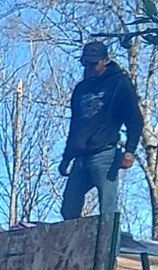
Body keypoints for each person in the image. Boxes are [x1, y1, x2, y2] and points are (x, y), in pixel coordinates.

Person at [59, 40, 144, 222]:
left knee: (107, 206)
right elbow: (75, 126)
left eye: (93, 63)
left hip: (105, 153)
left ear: (105, 61)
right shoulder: (81, 89)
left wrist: (130, 151)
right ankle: (76, 244)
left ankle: (108, 245)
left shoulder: (118, 83)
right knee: (69, 207)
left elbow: (134, 119)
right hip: (80, 156)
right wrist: (67, 157)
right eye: (85, 63)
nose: (89, 67)